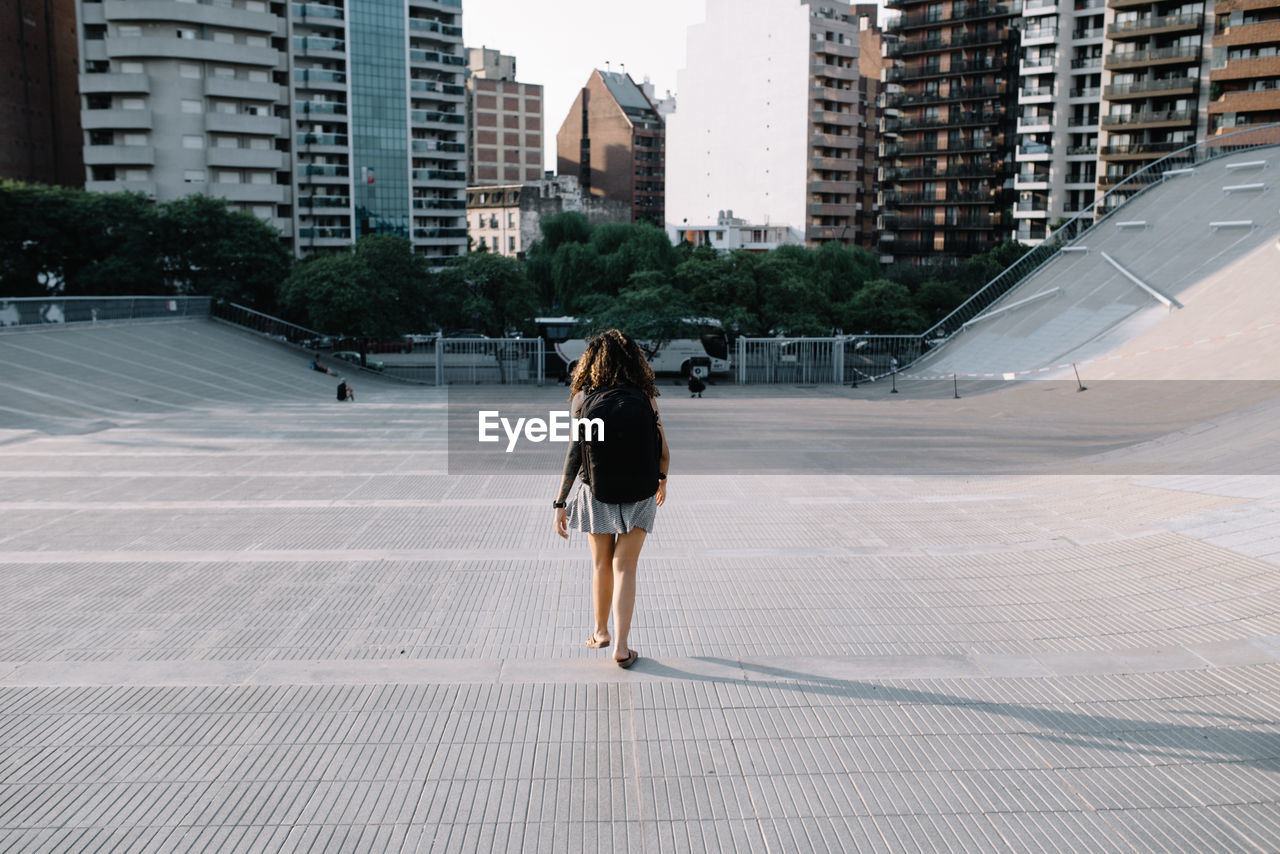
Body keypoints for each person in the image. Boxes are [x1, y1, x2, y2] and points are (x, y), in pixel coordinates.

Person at [554, 329, 669, 668]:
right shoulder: (645, 396)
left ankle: (600, 632)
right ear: (635, 361)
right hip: (641, 491)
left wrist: (560, 502)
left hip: (597, 491)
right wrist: (662, 479)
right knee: (626, 566)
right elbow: (663, 448)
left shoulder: (582, 397)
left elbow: (575, 452)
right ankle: (621, 647)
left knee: (602, 564)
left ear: (591, 362)